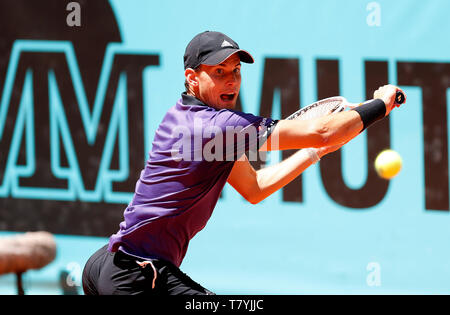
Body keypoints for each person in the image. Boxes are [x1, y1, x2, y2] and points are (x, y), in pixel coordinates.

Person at [82, 31, 404, 295]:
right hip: (138, 274)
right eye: (219, 72)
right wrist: (382, 103)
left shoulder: (185, 117)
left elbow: (254, 187)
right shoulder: (218, 128)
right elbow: (322, 131)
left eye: (236, 71)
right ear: (192, 78)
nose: (232, 81)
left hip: (110, 266)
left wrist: (312, 154)